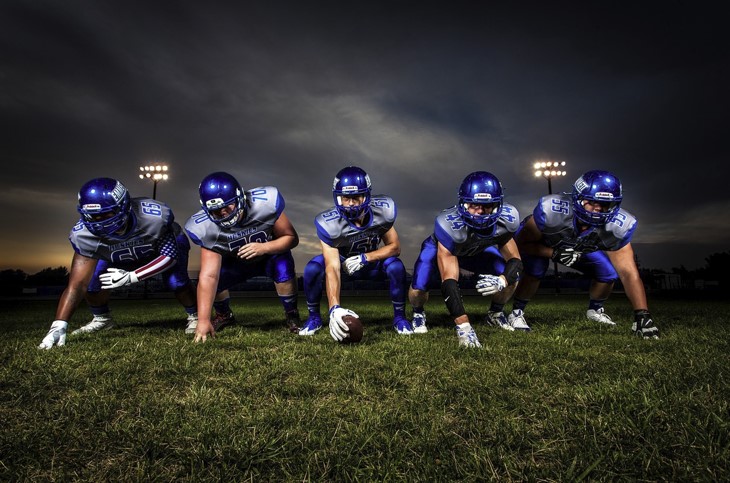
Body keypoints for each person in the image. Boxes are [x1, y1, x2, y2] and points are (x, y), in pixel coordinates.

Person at [38, 178, 198, 349]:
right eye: (94, 216)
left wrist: (132, 277)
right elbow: (77, 285)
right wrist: (59, 324)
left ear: (125, 206)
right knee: (92, 282)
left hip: (157, 249)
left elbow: (169, 257)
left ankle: (195, 315)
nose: (100, 221)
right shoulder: (83, 236)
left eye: (107, 214)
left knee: (176, 281)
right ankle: (102, 319)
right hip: (117, 255)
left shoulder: (154, 217)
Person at [507, 169, 659, 339]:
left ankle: (595, 310)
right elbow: (521, 244)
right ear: (578, 198)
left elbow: (629, 273)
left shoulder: (618, 226)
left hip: (579, 247)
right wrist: (553, 253)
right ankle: (517, 312)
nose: (598, 209)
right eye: (592, 202)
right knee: (536, 269)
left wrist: (642, 315)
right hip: (543, 243)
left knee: (608, 274)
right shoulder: (551, 211)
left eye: (605, 205)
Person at [408, 171, 523, 348]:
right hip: (445, 248)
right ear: (463, 203)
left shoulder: (507, 220)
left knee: (512, 276)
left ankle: (495, 313)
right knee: (419, 286)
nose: (479, 212)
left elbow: (515, 260)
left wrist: (502, 279)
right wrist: (464, 326)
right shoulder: (448, 225)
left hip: (476, 250)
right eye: (473, 205)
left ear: (498, 205)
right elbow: (449, 280)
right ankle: (418, 313)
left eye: (487, 206)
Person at [298, 166, 411, 341]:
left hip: (371, 263)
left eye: (356, 198)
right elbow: (332, 267)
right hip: (343, 264)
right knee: (313, 268)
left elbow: (395, 247)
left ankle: (400, 318)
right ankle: (314, 317)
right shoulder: (329, 223)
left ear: (366, 196)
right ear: (338, 198)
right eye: (345, 198)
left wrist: (367, 257)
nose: (350, 203)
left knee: (396, 266)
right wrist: (334, 307)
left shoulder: (382, 212)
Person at [185, 171, 301, 342]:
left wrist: (264, 247)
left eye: (227, 207)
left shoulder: (266, 203)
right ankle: (224, 314)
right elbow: (209, 275)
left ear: (240, 198)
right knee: (212, 280)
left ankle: (292, 314)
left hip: (268, 256)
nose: (224, 214)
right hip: (236, 262)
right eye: (216, 211)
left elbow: (291, 238)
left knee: (283, 264)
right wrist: (203, 320)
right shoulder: (204, 227)